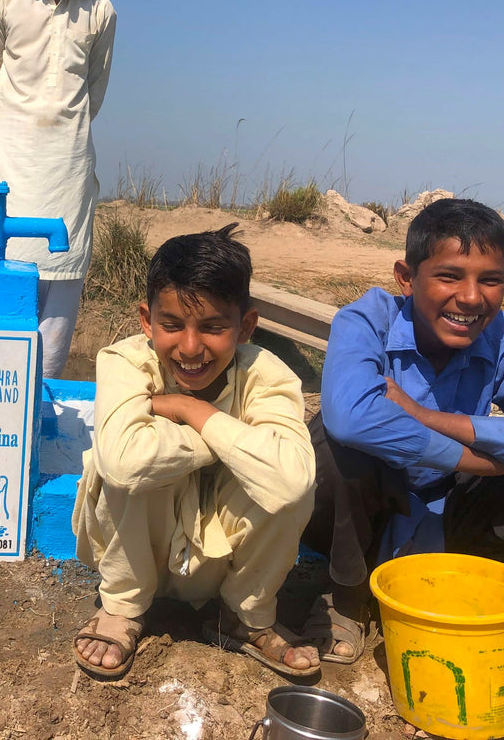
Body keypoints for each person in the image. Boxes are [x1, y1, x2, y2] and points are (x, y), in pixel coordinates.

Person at [300, 197, 504, 666]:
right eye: (449, 276)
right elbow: (350, 416)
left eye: (490, 280)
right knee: (336, 440)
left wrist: (428, 417)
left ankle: (479, 603)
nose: (470, 298)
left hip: (447, 511)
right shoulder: (367, 319)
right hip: (358, 512)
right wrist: (469, 459)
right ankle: (345, 596)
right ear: (406, 277)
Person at [72, 225, 319, 680]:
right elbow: (124, 462)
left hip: (219, 564)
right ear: (146, 320)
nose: (190, 347)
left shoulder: (268, 375)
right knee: (122, 465)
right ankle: (122, 607)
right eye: (171, 326)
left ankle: (244, 615)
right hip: (143, 553)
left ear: (246, 327)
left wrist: (192, 410)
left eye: (213, 327)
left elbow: (291, 481)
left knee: (290, 483)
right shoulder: (125, 361)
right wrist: (228, 439)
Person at [0, 0, 116, 378]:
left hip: (69, 164)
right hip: (10, 159)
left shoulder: (101, 10)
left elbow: (93, 91)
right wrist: (23, 121)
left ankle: (45, 394)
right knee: (4, 269)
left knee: (61, 287)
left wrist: (62, 126)